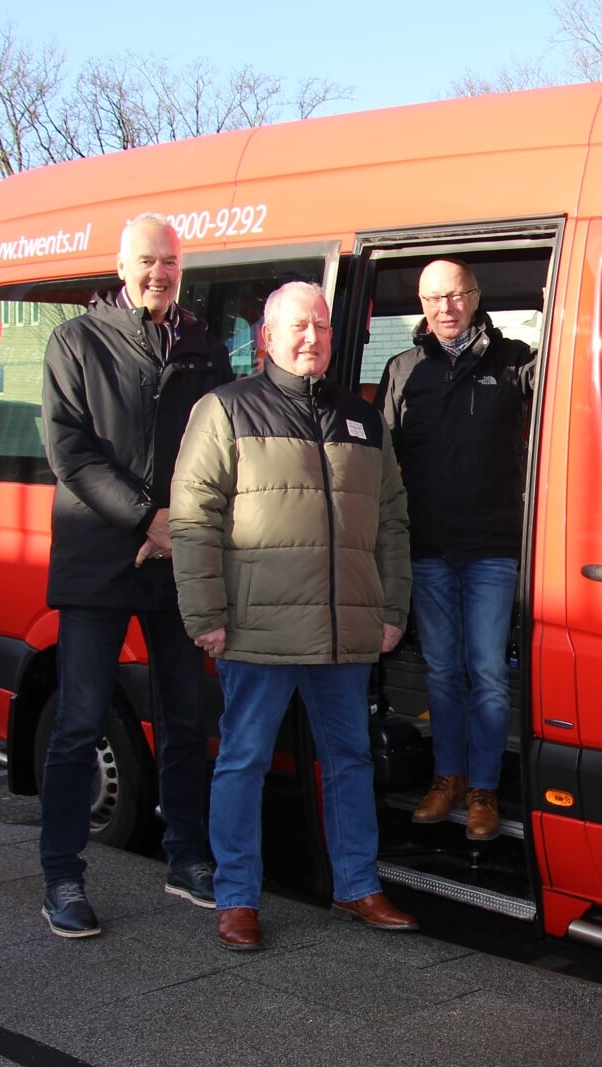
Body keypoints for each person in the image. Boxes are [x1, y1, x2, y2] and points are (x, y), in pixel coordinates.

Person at [171, 280, 418, 950]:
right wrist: (207, 613)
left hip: (346, 629)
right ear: (267, 338)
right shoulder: (225, 411)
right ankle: (236, 898)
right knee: (244, 761)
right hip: (258, 628)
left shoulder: (363, 418)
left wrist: (391, 606)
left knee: (350, 761)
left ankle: (357, 886)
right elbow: (193, 519)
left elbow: (393, 520)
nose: (312, 338)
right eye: (298, 326)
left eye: (323, 327)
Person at [37, 213, 231, 939]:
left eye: (170, 262)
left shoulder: (206, 346)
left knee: (187, 717)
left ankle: (186, 857)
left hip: (176, 561)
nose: (159, 273)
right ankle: (61, 874)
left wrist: (177, 526)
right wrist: (146, 519)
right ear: (122, 266)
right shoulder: (75, 342)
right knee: (79, 721)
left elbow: (218, 447)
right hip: (100, 558)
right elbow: (70, 452)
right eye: (147, 261)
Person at [380, 260, 535, 842]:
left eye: (456, 296)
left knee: (489, 674)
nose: (445, 308)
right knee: (443, 673)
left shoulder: (514, 360)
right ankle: (446, 778)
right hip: (428, 549)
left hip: (492, 547)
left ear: (475, 297)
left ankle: (484, 791)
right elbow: (379, 464)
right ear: (421, 304)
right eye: (433, 298)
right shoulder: (403, 370)